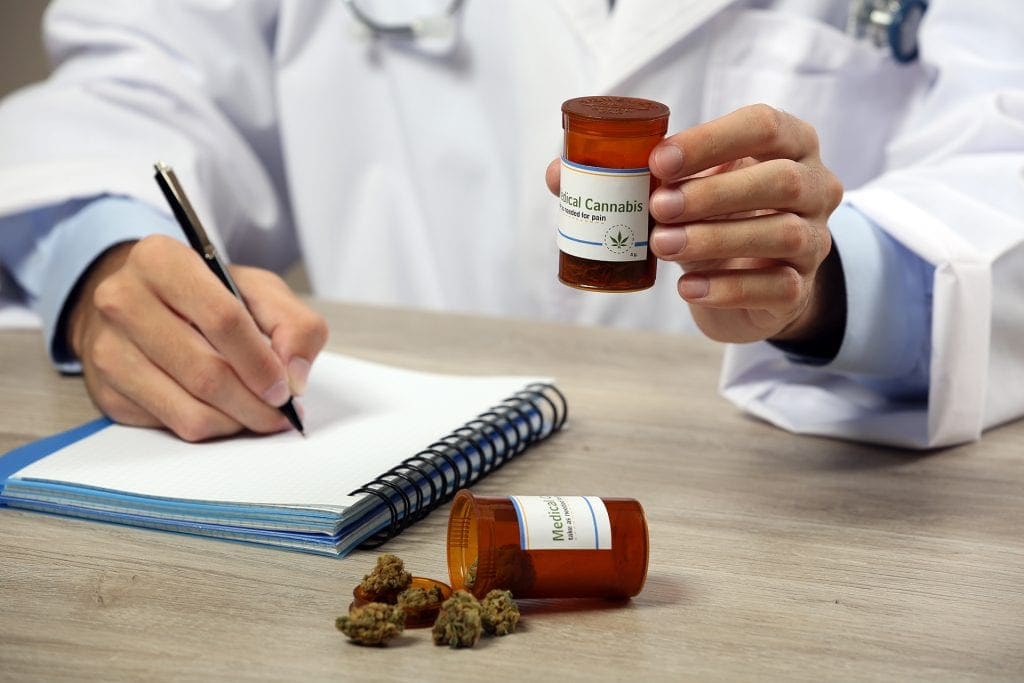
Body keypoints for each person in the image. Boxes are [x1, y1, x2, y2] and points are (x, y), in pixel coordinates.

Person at [0, 0, 1021, 447]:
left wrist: (834, 282)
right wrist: (105, 260)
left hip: (791, 507)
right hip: (380, 473)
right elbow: (140, 85)